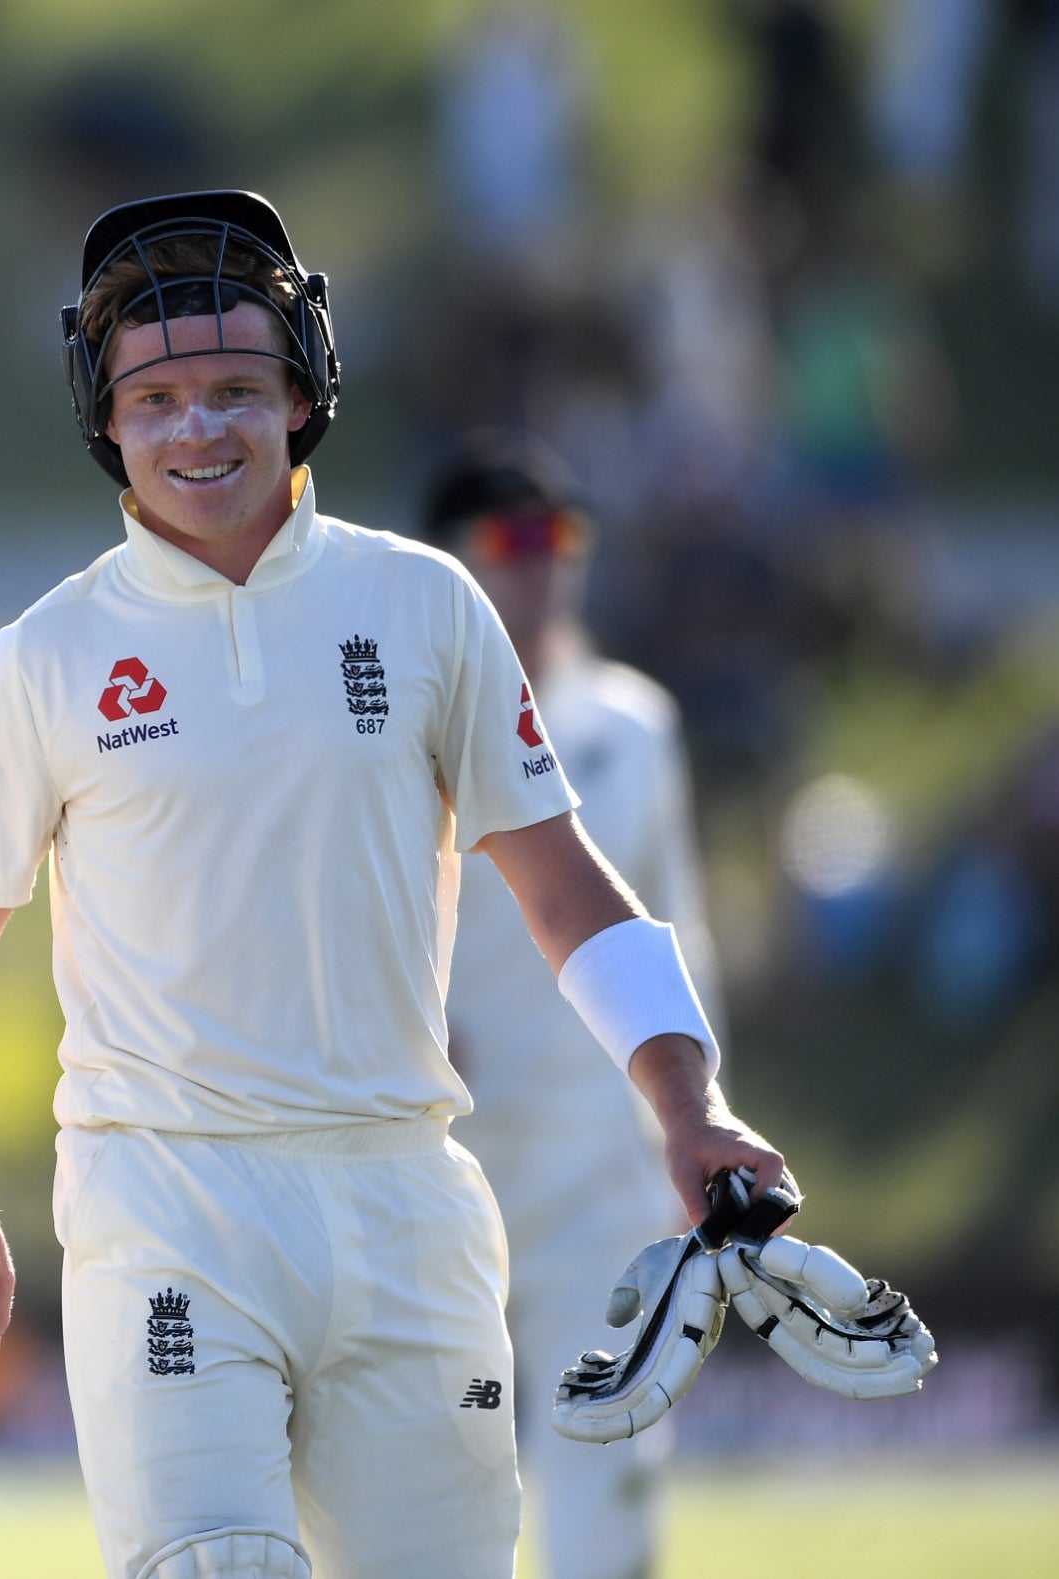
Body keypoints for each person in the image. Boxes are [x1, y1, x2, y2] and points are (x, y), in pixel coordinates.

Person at [0, 191, 788, 1579]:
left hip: (404, 1197)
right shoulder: (44, 657)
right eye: (162, 394)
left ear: (302, 396)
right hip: (166, 1205)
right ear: (105, 417)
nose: (200, 429)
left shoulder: (426, 606)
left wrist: (689, 1104)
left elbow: (568, 890)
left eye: (238, 389)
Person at [431, 435, 717, 1579]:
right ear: (446, 557)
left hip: (603, 1162)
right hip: (442, 1160)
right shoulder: (397, 717)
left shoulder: (633, 723)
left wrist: (697, 1122)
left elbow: (677, 934)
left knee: (611, 1472)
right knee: (438, 1475)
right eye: (510, 541)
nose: (540, 567)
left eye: (560, 539)